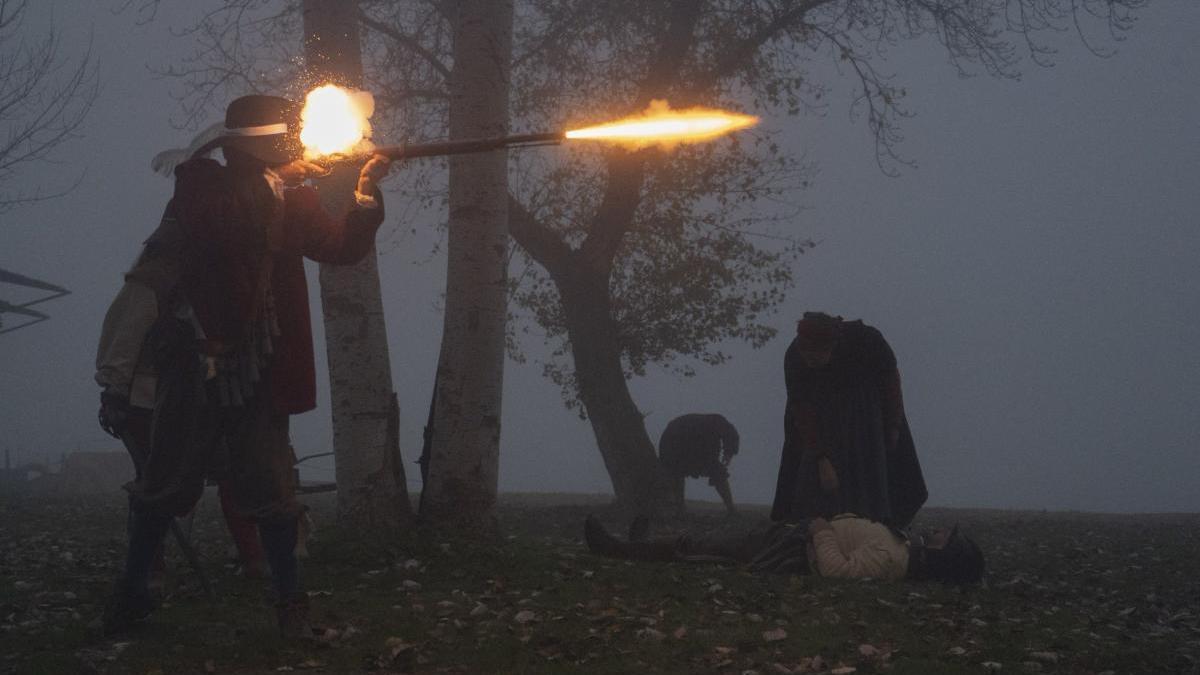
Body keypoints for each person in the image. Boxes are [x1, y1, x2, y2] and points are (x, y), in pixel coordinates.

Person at [95, 94, 393, 637]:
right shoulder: (200, 189)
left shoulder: (290, 198)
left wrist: (365, 193)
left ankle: (290, 605)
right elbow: (223, 224)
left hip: (261, 367)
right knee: (163, 485)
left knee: (272, 489)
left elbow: (341, 246)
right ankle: (133, 593)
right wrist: (277, 181)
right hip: (194, 362)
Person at [771, 312, 927, 529]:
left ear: (831, 346)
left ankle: (872, 528)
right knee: (811, 488)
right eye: (806, 356)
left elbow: (891, 381)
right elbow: (801, 408)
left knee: (870, 481)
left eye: (816, 356)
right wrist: (821, 459)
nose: (810, 361)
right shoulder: (795, 358)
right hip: (818, 420)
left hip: (866, 421)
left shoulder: (868, 342)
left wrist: (893, 426)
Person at [583, 514, 984, 584]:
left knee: (702, 549)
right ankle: (638, 543)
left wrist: (823, 530)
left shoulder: (893, 560)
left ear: (944, 553)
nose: (941, 531)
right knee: (712, 539)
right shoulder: (903, 546)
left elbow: (837, 572)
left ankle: (617, 549)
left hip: (792, 551)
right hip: (793, 537)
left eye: (946, 537)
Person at [658, 413, 740, 514]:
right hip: (676, 440)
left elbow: (730, 434)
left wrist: (729, 452)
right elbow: (730, 434)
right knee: (715, 472)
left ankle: (679, 507)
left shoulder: (714, 423)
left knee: (676, 472)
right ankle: (730, 508)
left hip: (675, 440)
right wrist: (729, 452)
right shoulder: (715, 423)